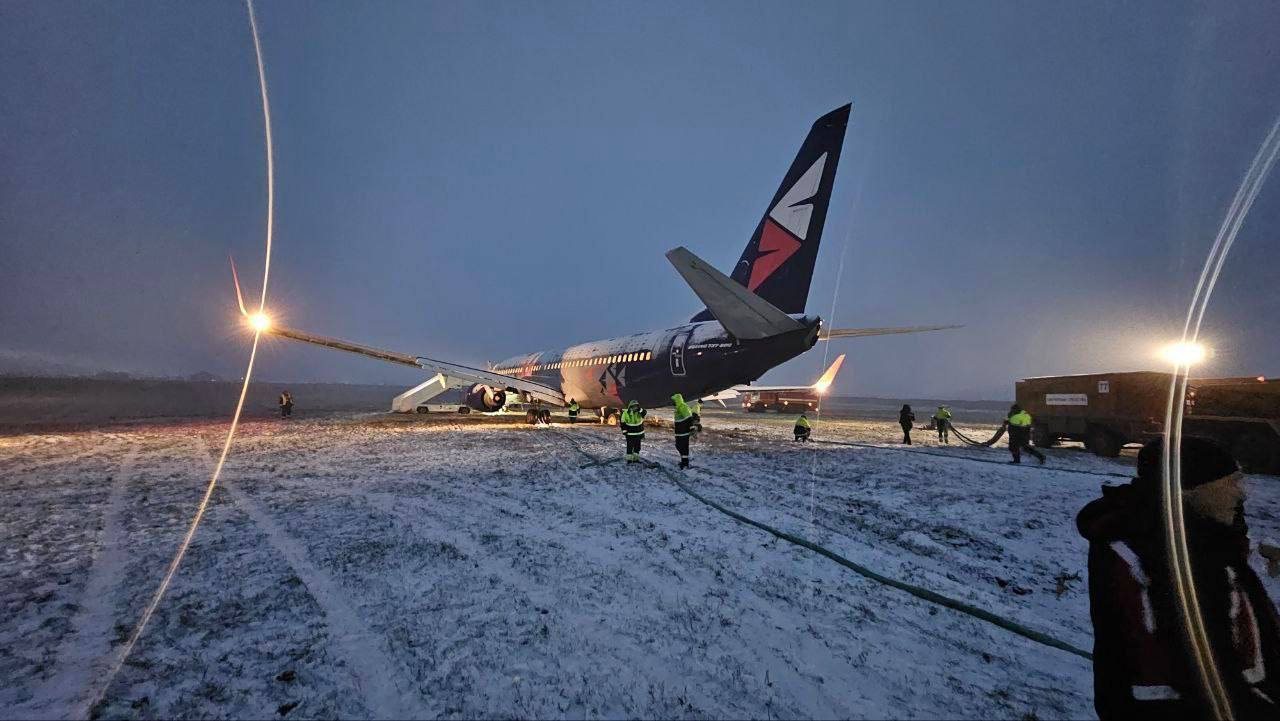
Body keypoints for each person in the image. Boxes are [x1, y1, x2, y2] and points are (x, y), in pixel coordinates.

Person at [1077, 437, 1280, 719]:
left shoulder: (1203, 542)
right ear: (1186, 491)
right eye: (1231, 483)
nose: (1241, 494)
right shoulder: (1164, 560)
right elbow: (1199, 676)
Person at [671, 394, 694, 468]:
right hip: (679, 432)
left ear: (677, 400)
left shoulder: (683, 407)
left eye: (674, 401)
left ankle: (685, 463)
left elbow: (689, 418)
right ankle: (683, 461)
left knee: (683, 447)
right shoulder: (678, 407)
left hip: (684, 432)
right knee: (679, 446)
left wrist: (692, 428)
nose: (673, 403)